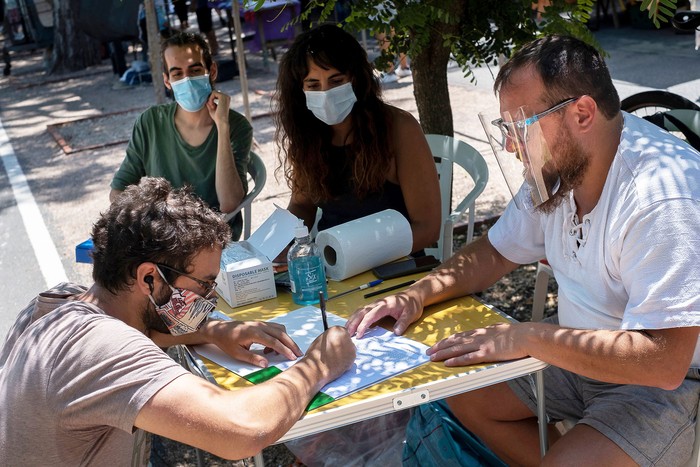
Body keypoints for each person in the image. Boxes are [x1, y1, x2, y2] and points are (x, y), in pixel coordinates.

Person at [347, 35, 700, 465]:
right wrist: (417, 294)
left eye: (521, 126)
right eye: (506, 129)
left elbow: (663, 361)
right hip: (573, 350)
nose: (513, 146)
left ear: (582, 113)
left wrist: (527, 337)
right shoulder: (561, 167)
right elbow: (495, 253)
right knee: (461, 394)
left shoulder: (661, 197)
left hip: (662, 383)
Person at [0, 177, 355, 465]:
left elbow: (144, 335)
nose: (211, 298)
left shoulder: (63, 302)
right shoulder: (99, 346)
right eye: (205, 284)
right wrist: (319, 363)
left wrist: (215, 330)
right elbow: (241, 430)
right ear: (150, 279)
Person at [274, 24, 441, 256]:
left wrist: (356, 258)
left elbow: (428, 228)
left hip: (394, 266)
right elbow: (302, 205)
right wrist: (272, 246)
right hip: (331, 266)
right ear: (299, 90)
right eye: (313, 85)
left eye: (336, 80)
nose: (325, 93)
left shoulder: (400, 128)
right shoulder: (308, 134)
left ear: (356, 78)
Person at [110, 31, 251, 240]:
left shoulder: (236, 126)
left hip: (212, 240)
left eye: (195, 70)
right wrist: (152, 221)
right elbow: (118, 192)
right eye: (177, 74)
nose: (187, 80)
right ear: (167, 81)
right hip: (161, 237)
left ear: (212, 71)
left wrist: (222, 126)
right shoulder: (150, 122)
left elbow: (229, 203)